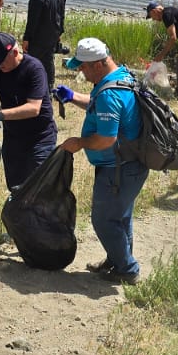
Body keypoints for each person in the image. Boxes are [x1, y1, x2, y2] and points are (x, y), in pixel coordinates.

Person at [55, 38, 147, 285]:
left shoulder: (110, 94)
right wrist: (72, 96)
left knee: (104, 220)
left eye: (83, 67)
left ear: (98, 64)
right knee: (121, 217)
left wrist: (80, 142)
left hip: (118, 169)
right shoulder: (121, 76)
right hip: (130, 165)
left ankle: (128, 270)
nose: (80, 72)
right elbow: (98, 102)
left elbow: (106, 139)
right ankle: (117, 259)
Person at [0, 32, 57, 191]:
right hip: (13, 139)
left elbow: (33, 108)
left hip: (40, 138)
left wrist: (0, 115)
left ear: (15, 52)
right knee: (16, 189)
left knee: (38, 189)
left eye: (1, 61)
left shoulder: (34, 68)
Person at [21, 0, 66, 87]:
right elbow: (61, 16)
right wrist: (59, 33)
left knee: (31, 62)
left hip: (38, 37)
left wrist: (26, 39)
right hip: (53, 35)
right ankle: (50, 87)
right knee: (48, 61)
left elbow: (32, 21)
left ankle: (30, 87)